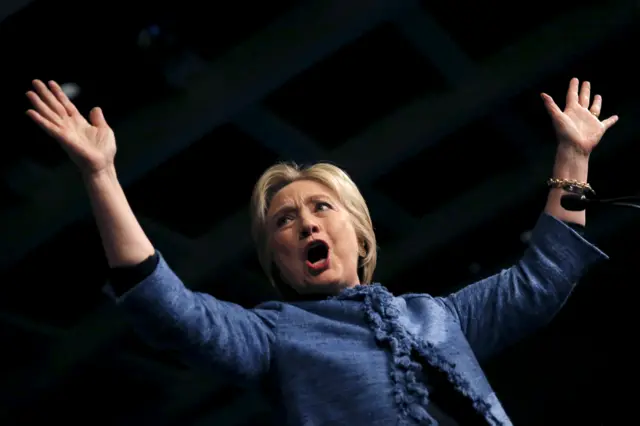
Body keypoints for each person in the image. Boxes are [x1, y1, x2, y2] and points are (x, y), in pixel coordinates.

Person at [26, 77, 618, 425]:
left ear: (359, 236)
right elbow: (168, 308)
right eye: (284, 221)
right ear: (277, 262)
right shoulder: (277, 333)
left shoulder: (441, 317)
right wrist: (101, 174)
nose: (305, 223)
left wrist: (574, 156)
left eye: (320, 208)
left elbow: (544, 275)